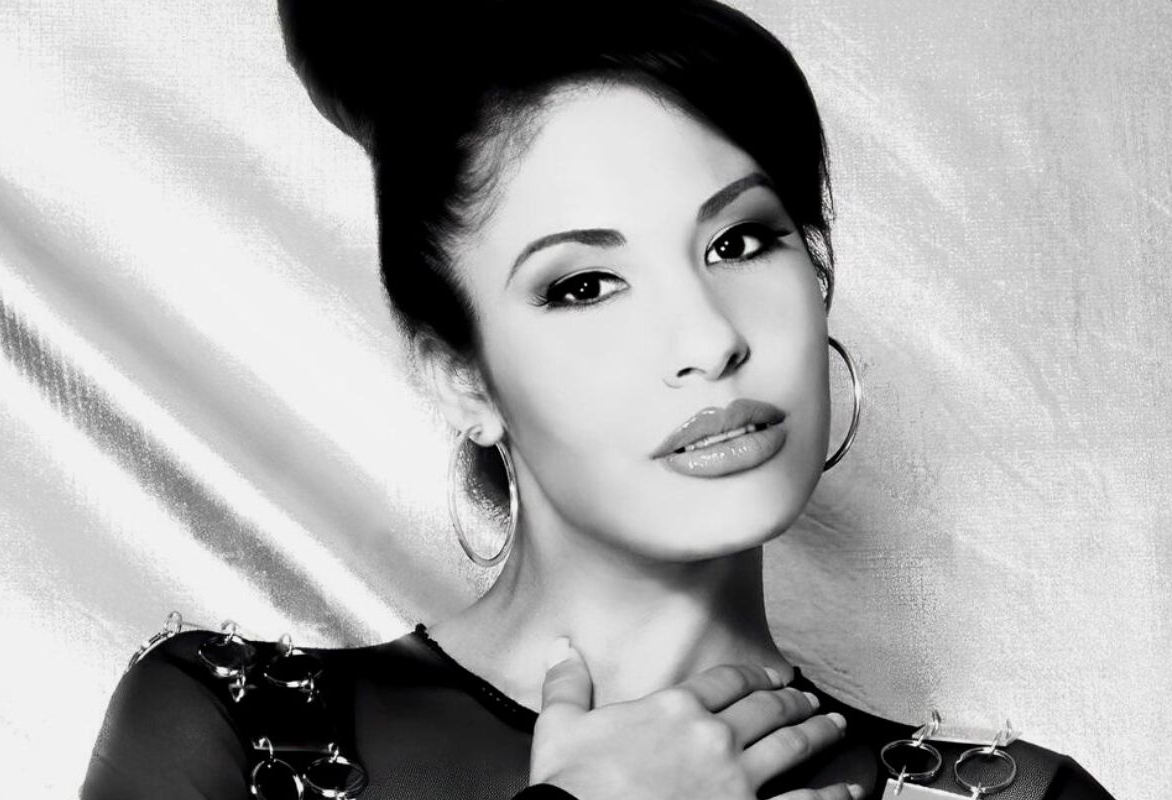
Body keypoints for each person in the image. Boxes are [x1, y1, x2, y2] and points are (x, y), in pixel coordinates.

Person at [81, 2, 1115, 798]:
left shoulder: (1015, 796)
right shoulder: (234, 731)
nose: (710, 340)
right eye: (584, 285)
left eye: (740, 241)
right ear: (461, 373)